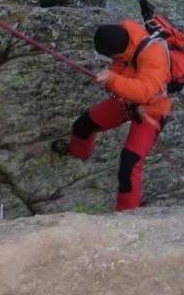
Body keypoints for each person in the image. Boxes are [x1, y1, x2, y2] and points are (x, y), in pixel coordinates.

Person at [53, 20, 173, 211]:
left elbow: (145, 92)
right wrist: (110, 74)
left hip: (152, 110)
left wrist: (112, 79)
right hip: (127, 102)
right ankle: (78, 152)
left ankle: (127, 215)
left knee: (129, 163)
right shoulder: (126, 39)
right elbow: (123, 67)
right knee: (82, 126)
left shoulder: (153, 54)